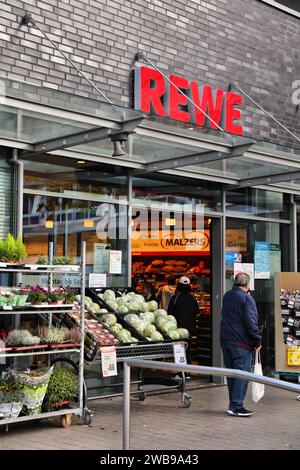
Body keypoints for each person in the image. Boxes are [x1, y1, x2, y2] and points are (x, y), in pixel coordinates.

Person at [220, 272, 262, 418]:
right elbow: (251, 322)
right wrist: (257, 340)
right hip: (241, 342)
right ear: (247, 284)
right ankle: (237, 405)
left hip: (226, 340)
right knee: (242, 373)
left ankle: (233, 404)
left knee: (232, 373)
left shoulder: (227, 295)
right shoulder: (247, 298)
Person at [168, 276, 199, 371]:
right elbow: (197, 311)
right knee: (187, 350)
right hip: (190, 329)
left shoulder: (176, 297)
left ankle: (182, 372)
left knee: (179, 350)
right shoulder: (192, 297)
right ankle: (187, 371)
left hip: (179, 328)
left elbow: (170, 313)